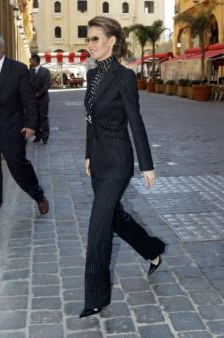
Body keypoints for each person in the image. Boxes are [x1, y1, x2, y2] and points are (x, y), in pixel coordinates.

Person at [79, 16, 165, 318]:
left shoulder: (124, 76)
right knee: (114, 217)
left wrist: (147, 165)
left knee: (98, 226)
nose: (89, 45)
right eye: (88, 39)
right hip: (98, 161)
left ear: (112, 41)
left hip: (118, 161)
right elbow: (90, 120)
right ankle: (152, 248)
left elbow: (135, 120)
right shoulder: (92, 77)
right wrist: (89, 154)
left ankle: (95, 297)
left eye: (95, 39)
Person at [0, 32, 49, 225]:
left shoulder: (18, 69)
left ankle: (38, 195)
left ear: (2, 47)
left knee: (18, 166)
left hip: (12, 129)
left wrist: (30, 125)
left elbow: (29, 100)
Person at [29, 54, 51, 144]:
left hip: (43, 99)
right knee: (35, 118)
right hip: (33, 99)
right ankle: (38, 136)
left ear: (35, 60)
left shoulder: (45, 71)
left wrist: (39, 93)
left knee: (43, 118)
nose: (30, 61)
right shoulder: (29, 71)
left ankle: (45, 137)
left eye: (31, 60)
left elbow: (47, 85)